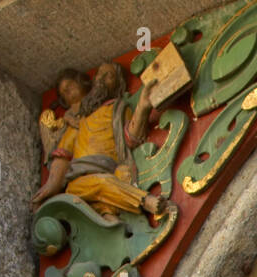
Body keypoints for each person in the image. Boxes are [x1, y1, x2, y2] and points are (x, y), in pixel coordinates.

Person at [31, 61, 168, 221]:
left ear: (118, 85)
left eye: (109, 75)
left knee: (118, 178)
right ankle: (145, 201)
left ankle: (109, 218)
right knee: (100, 183)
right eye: (99, 75)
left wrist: (143, 108)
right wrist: (51, 185)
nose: (101, 79)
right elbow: (63, 155)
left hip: (110, 170)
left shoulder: (118, 109)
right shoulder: (78, 121)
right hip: (80, 179)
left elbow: (132, 138)